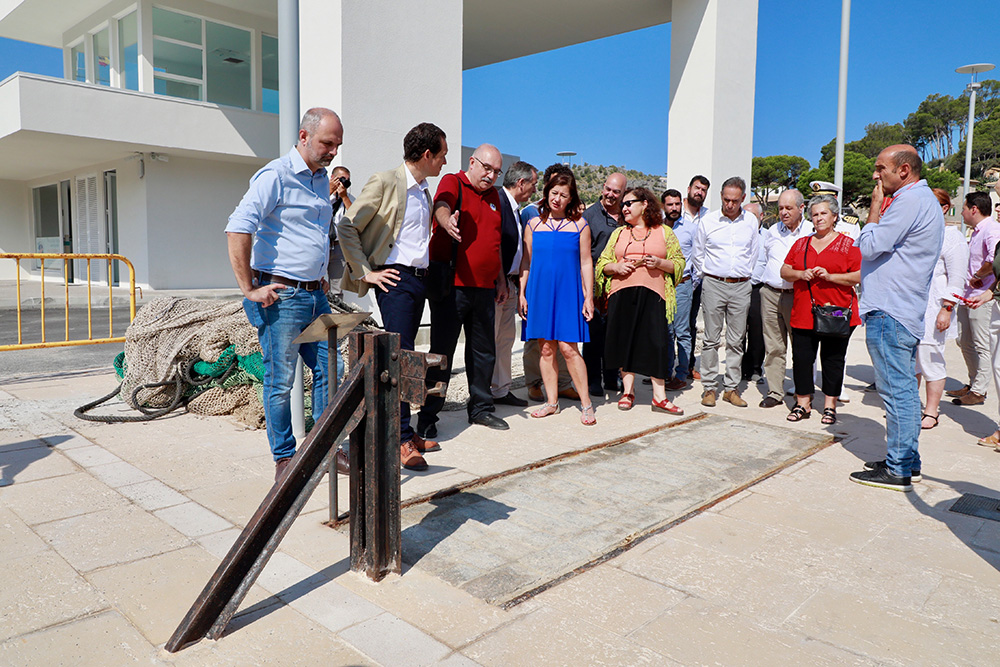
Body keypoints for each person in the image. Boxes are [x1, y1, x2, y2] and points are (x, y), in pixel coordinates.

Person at [225, 107, 346, 482]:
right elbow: (237, 228)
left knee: (333, 369)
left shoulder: (321, 178)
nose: (333, 152)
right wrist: (249, 288)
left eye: (337, 146)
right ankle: (284, 458)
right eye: (327, 143)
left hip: (315, 296)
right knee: (280, 381)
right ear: (304, 136)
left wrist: (320, 274)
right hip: (282, 298)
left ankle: (324, 446)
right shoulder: (275, 175)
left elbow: (311, 233)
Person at [338, 122, 449, 471]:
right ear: (427, 154)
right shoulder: (386, 182)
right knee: (399, 360)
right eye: (442, 155)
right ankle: (400, 439)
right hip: (395, 280)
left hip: (420, 280)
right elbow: (347, 226)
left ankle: (407, 432)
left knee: (409, 357)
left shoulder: (425, 190)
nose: (445, 162)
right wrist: (364, 272)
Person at [850, 144, 944, 492]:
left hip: (891, 310)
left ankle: (899, 468)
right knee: (900, 389)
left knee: (898, 392)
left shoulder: (909, 201)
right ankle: (905, 460)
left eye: (881, 169)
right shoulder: (920, 201)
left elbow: (871, 246)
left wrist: (874, 210)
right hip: (898, 309)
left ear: (904, 170)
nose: (876, 175)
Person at [417, 144, 509, 437]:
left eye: (496, 171)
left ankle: (481, 409)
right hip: (452, 287)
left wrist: (502, 280)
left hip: (484, 288)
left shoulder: (495, 196)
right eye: (487, 168)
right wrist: (446, 222)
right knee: (442, 354)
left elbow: (496, 243)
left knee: (484, 353)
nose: (491, 175)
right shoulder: (453, 181)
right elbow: (441, 206)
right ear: (472, 162)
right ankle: (428, 415)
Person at [595, 187, 685, 414]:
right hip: (622, 293)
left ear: (644, 204)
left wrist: (659, 263)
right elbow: (602, 264)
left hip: (654, 294)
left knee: (657, 343)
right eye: (623, 204)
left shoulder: (664, 232)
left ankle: (659, 397)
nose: (623, 208)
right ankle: (628, 392)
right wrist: (616, 266)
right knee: (625, 341)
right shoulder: (618, 234)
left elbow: (679, 263)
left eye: (628, 203)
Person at [518, 170, 596, 425]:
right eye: (554, 193)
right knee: (546, 347)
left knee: (569, 348)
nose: (557, 199)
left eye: (563, 195)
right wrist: (522, 293)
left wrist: (588, 297)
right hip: (539, 292)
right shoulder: (533, 224)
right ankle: (551, 402)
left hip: (568, 292)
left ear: (571, 197)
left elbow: (586, 263)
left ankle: (586, 404)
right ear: (546, 193)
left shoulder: (580, 225)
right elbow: (526, 262)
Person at [780, 194, 861, 424]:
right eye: (815, 214)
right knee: (802, 358)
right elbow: (784, 270)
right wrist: (800, 274)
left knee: (833, 359)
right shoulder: (801, 243)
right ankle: (803, 402)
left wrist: (831, 276)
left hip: (836, 312)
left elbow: (858, 275)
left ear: (835, 216)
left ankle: (830, 405)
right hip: (804, 311)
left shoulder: (848, 244)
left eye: (824, 213)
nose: (819, 218)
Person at [691, 176, 759, 408]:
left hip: (741, 285)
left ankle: (731, 388)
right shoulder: (708, 222)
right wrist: (707, 276)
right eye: (726, 199)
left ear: (742, 198)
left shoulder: (750, 222)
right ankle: (709, 387)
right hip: (713, 284)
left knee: (736, 340)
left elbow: (754, 252)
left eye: (735, 200)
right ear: (721, 196)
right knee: (710, 339)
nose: (730, 204)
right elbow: (698, 254)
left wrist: (745, 276)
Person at [521, 163, 577, 402]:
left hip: (562, 284)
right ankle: (534, 382)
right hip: (538, 284)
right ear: (546, 187)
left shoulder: (574, 218)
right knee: (537, 341)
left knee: (565, 341)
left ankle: (563, 383)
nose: (557, 195)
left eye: (563, 190)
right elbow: (526, 256)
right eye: (553, 187)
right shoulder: (530, 213)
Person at [912, 188, 966, 429]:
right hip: (911, 309)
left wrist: (947, 307)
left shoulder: (952, 237)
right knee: (910, 361)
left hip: (935, 309)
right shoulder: (916, 235)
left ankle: (931, 411)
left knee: (930, 359)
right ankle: (911, 408)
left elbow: (957, 278)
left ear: (945, 208)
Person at [757, 189, 813, 408]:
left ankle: (803, 393)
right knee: (773, 346)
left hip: (797, 295)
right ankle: (774, 391)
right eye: (780, 208)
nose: (783, 212)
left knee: (800, 347)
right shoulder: (772, 231)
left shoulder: (810, 231)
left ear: (801, 208)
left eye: (789, 208)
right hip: (770, 293)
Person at [491, 161, 538, 407]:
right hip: (496, 285)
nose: (534, 190)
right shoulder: (497, 202)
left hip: (509, 285)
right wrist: (501, 281)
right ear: (521, 183)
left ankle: (500, 389)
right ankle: (485, 393)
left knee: (505, 340)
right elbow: (495, 244)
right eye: (533, 184)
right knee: (491, 340)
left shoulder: (515, 208)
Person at [948, 191, 999, 406]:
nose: (961, 212)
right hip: (968, 296)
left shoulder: (991, 229)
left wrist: (980, 276)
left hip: (983, 297)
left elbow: (994, 258)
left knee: (981, 345)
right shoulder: (978, 231)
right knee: (964, 341)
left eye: (964, 208)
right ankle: (973, 383)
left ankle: (979, 391)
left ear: (974, 209)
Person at [582, 173, 627, 396]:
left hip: (620, 283)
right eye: (608, 189)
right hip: (595, 284)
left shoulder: (626, 215)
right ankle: (592, 380)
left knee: (614, 334)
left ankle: (611, 378)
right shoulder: (589, 215)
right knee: (594, 335)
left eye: (616, 192)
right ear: (602, 187)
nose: (610, 194)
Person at [676, 175, 710, 382]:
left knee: (689, 325)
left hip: (697, 280)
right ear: (688, 189)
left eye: (704, 190)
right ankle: (661, 367)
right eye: (697, 188)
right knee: (667, 326)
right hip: (674, 279)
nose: (699, 192)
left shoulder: (708, 217)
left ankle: (687, 366)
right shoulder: (674, 213)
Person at [660, 188, 686, 390]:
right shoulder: (657, 228)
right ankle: (664, 373)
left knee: (682, 332)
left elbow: (700, 255)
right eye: (670, 204)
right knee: (666, 332)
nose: (674, 208)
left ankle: (681, 375)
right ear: (663, 206)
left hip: (683, 285)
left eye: (677, 204)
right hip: (662, 286)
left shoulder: (691, 228)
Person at [742, 201, 766, 385]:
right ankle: (741, 368)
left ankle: (756, 368)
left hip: (759, 289)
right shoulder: (738, 234)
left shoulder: (769, 236)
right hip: (739, 287)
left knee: (758, 331)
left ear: (761, 217)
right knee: (738, 330)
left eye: (753, 216)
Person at [327, 166, 352, 298]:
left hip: (338, 246)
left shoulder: (347, 198)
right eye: (342, 179)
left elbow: (355, 217)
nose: (344, 183)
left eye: (347, 180)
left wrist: (344, 197)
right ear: (332, 178)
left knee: (337, 287)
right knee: (313, 282)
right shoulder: (320, 192)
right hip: (321, 244)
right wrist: (329, 191)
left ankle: (337, 316)